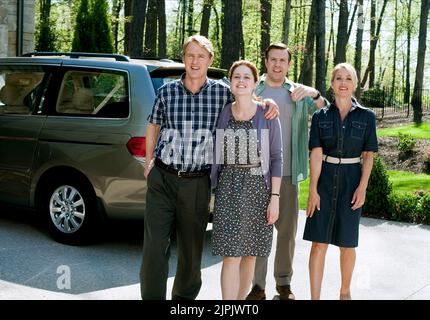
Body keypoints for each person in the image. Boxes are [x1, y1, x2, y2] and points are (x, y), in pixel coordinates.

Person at [140, 35, 278, 300]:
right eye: (190, 55)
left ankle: (184, 302)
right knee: (155, 247)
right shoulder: (166, 92)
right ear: (183, 58)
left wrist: (266, 103)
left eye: (200, 56)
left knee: (191, 252)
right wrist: (149, 161)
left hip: (197, 182)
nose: (195, 61)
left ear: (210, 60)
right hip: (162, 179)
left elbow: (246, 98)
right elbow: (153, 125)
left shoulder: (221, 93)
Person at [246, 43, 326, 301]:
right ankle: (257, 286)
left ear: (289, 64)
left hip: (290, 173)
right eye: (273, 60)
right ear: (266, 62)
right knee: (258, 230)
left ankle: (283, 284)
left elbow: (324, 108)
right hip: (257, 173)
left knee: (286, 233)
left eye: (283, 60)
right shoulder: (253, 89)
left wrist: (313, 92)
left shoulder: (298, 92)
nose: (278, 64)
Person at [304, 63, 378, 300]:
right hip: (324, 182)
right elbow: (315, 154)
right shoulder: (319, 116)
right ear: (332, 83)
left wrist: (363, 187)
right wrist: (313, 190)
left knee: (348, 244)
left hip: (351, 183)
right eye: (338, 78)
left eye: (348, 78)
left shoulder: (367, 117)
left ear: (355, 84)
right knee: (318, 244)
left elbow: (368, 156)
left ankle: (344, 293)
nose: (343, 83)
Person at [211, 60, 282, 300]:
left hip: (257, 187)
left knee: (250, 253)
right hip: (229, 185)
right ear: (231, 82)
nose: (241, 81)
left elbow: (276, 158)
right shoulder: (224, 111)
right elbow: (218, 154)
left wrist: (274, 198)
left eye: (246, 77)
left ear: (254, 83)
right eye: (236, 77)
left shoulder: (267, 114)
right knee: (230, 255)